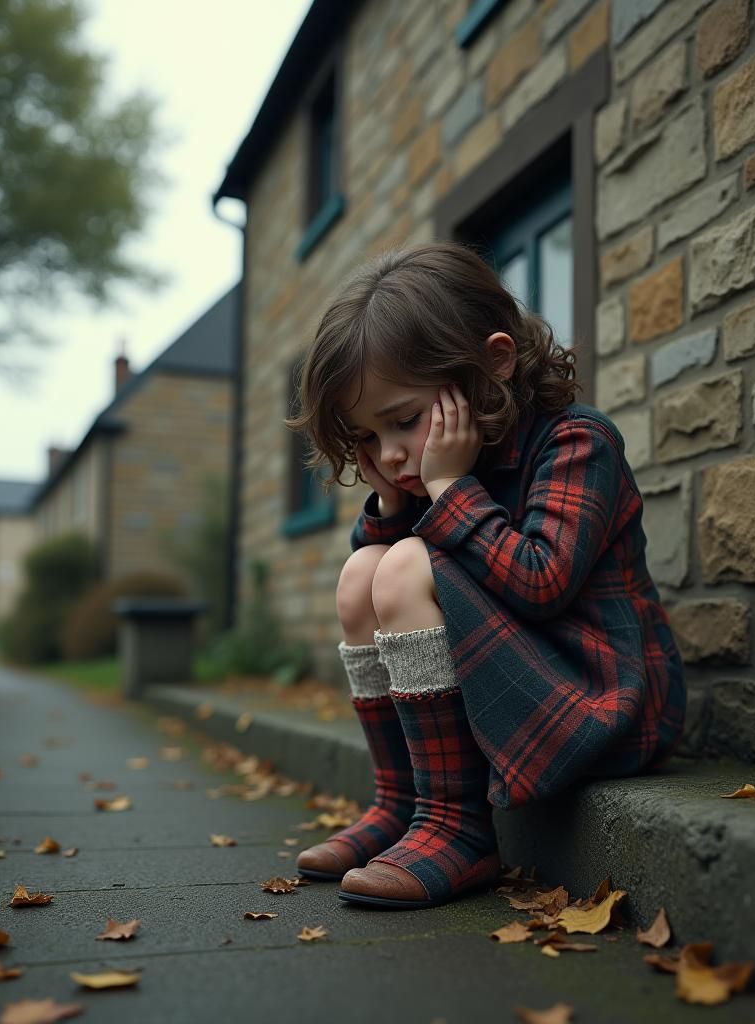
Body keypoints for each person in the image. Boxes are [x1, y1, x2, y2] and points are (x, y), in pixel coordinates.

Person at [283, 241, 685, 910]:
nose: (391, 452)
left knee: (403, 564)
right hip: (520, 698)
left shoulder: (577, 442)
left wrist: (449, 488)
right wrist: (393, 504)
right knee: (362, 572)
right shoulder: (427, 471)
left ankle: (458, 829)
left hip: (603, 708)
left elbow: (541, 582)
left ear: (495, 362)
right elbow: (384, 593)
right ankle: (403, 802)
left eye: (404, 421)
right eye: (368, 437)